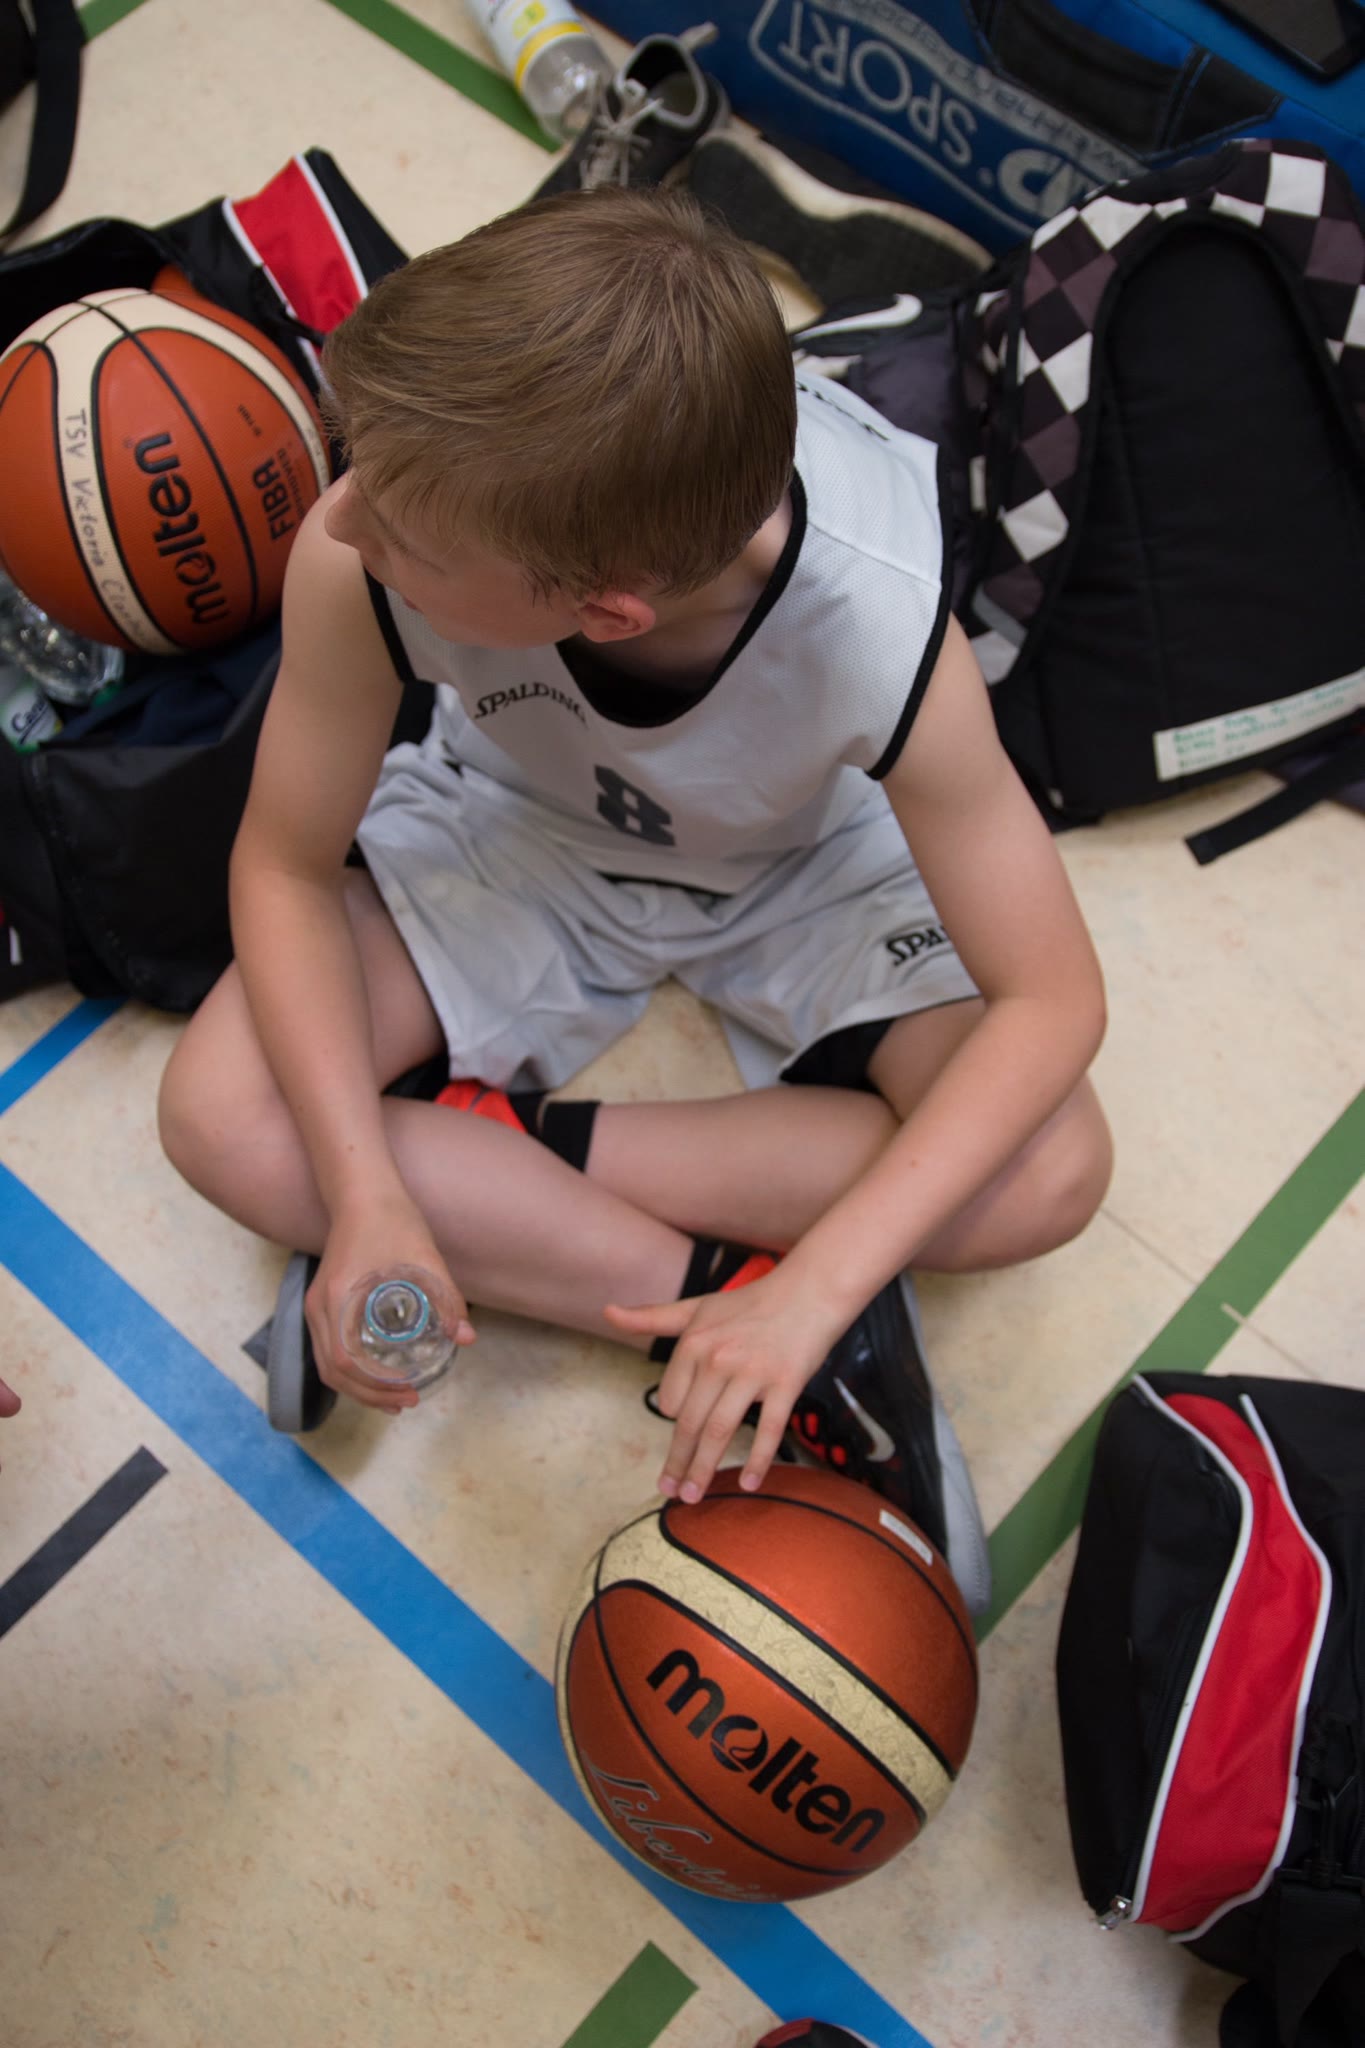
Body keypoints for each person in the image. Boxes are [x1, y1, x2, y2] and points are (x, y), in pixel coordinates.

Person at [157, 188, 1110, 1609]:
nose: (341, 512)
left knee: (1052, 1169)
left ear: (604, 610)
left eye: (402, 525)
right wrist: (364, 1195)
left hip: (808, 866)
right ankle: (735, 1325)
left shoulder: (875, 617)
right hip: (522, 828)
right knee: (218, 1115)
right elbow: (285, 863)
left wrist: (827, 1275)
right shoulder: (374, 534)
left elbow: (1053, 1001)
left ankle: (495, 1162)